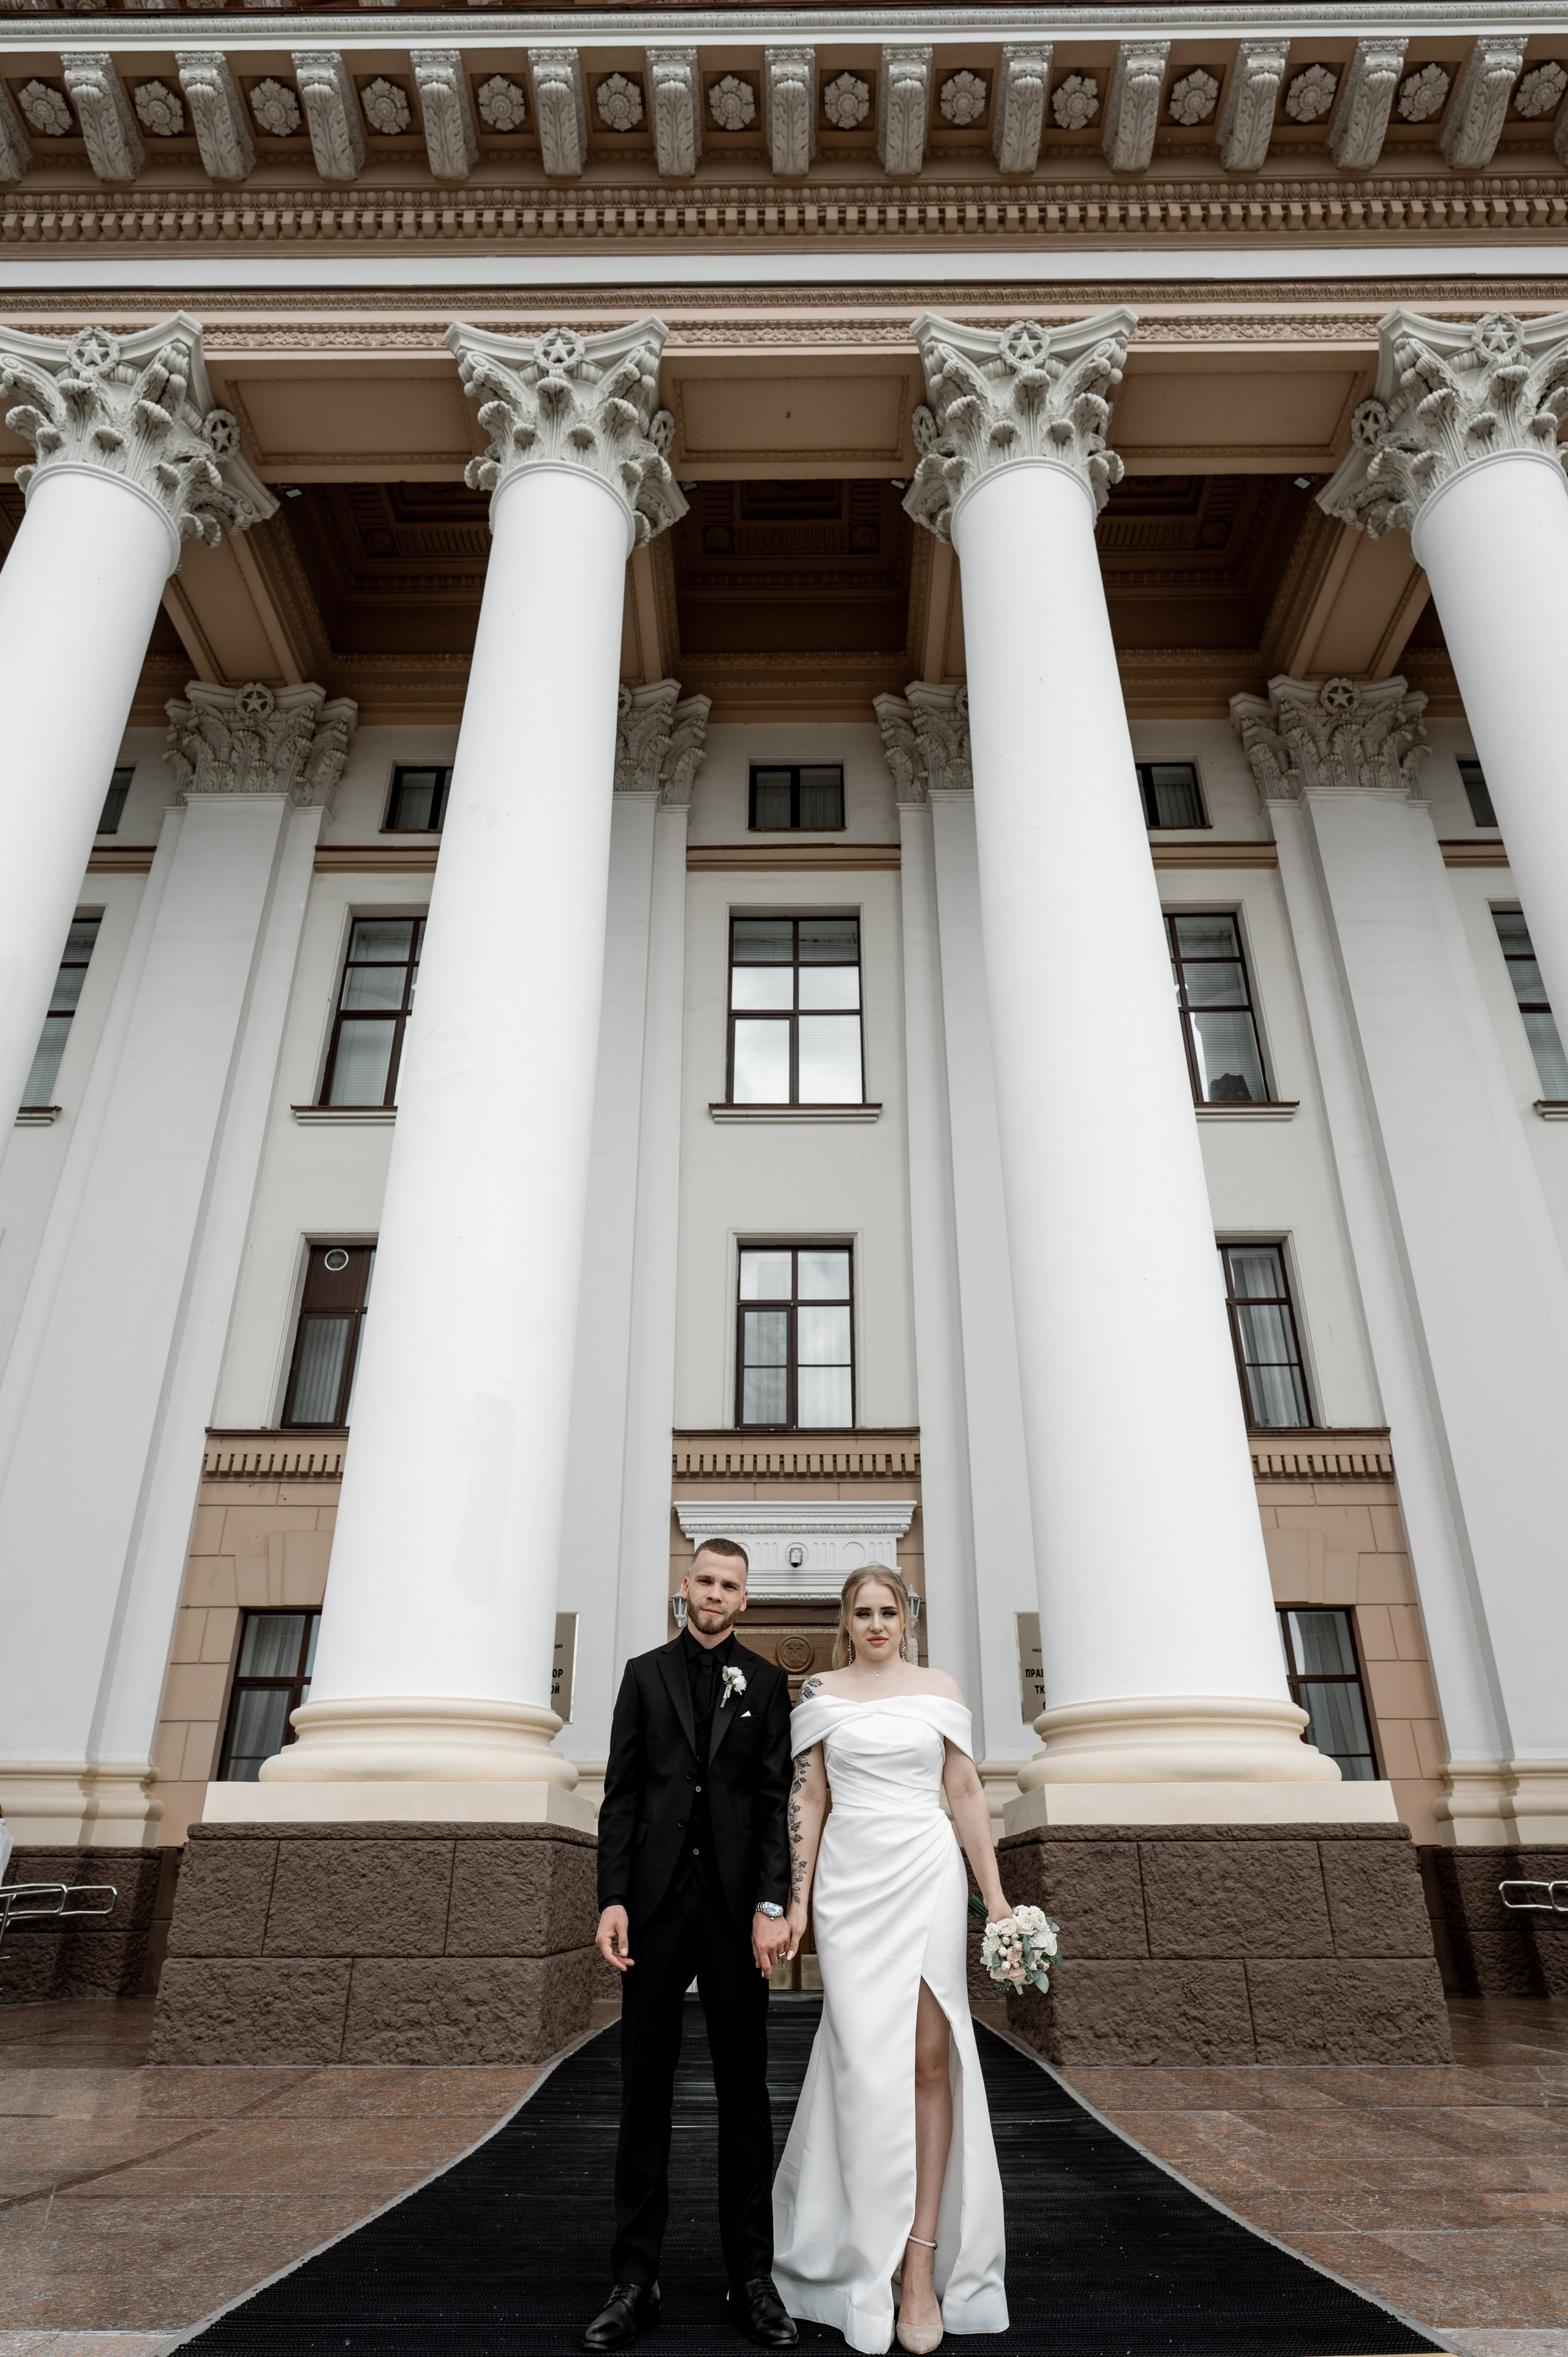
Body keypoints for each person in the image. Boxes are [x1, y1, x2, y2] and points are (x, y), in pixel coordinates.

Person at [772, 1568, 1011, 2357]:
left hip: (926, 1869)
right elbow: (808, 1797)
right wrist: (797, 1902)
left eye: (889, 1611)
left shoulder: (939, 1689)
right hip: (849, 1883)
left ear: (907, 1619)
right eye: (863, 1612)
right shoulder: (819, 1693)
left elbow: (964, 1791)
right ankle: (860, 2252)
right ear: (845, 1621)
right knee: (861, 2064)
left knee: (928, 2062)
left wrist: (995, 1899)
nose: (877, 1624)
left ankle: (919, 2261)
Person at [586, 1537, 800, 2353]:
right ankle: (635, 2279)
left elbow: (777, 1799)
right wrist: (613, 1897)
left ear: (745, 1598)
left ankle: (751, 2278)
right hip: (652, 1909)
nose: (715, 1593)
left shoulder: (768, 1682)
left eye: (729, 1584)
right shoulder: (643, 1674)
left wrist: (771, 1904)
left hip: (736, 1915)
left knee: (745, 2094)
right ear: (686, 1586)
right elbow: (621, 1795)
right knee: (644, 2090)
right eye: (705, 1579)